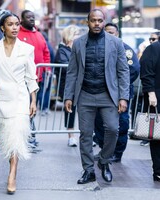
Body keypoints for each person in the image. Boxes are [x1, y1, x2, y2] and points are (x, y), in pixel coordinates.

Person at [64, 9, 129, 184]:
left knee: (113, 129)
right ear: (88, 22)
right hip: (84, 94)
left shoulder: (116, 43)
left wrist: (123, 97)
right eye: (93, 20)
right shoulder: (78, 43)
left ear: (104, 21)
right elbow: (72, 72)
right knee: (85, 134)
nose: (97, 24)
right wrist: (68, 96)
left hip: (108, 95)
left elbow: (123, 71)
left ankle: (104, 162)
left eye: (100, 20)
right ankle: (88, 170)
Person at [0, 13, 38, 194]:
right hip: (1, 99)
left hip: (21, 98)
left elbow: (31, 77)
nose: (14, 27)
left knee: (17, 136)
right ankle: (11, 166)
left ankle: (12, 174)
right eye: (10, 24)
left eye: (17, 24)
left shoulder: (27, 49)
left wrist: (33, 100)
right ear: (2, 27)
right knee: (7, 139)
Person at [93, 22, 140, 162]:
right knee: (99, 123)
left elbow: (134, 71)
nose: (108, 35)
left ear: (117, 34)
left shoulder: (126, 50)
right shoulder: (98, 48)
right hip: (101, 93)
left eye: (111, 32)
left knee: (121, 124)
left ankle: (117, 153)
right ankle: (104, 151)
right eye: (106, 32)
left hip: (121, 94)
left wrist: (115, 85)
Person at [18, 9, 50, 146]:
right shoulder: (18, 34)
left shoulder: (39, 35)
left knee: (33, 108)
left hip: (38, 79)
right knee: (25, 109)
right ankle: (28, 137)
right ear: (22, 20)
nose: (32, 19)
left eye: (33, 17)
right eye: (28, 17)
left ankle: (30, 135)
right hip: (23, 79)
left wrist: (47, 68)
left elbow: (46, 52)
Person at [54, 24, 80, 147]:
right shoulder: (62, 51)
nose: (78, 37)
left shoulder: (79, 49)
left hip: (81, 86)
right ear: (70, 36)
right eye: (76, 34)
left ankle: (88, 136)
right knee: (70, 111)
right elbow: (65, 67)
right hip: (68, 87)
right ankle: (71, 136)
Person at [140, 34, 160, 182]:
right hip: (157, 99)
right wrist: (151, 94)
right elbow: (146, 73)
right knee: (158, 137)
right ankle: (158, 170)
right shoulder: (154, 48)